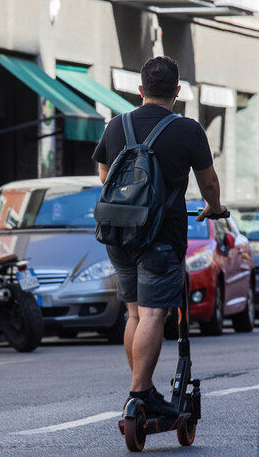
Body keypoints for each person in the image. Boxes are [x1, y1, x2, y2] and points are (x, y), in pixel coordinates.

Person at [92, 56, 226, 417]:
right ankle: (140, 395)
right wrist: (214, 205)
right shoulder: (188, 130)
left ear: (140, 90)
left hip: (119, 233)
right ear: (177, 92)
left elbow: (105, 176)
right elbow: (208, 181)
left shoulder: (115, 126)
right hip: (161, 236)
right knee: (154, 316)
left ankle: (141, 387)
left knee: (134, 314)